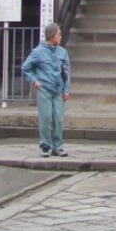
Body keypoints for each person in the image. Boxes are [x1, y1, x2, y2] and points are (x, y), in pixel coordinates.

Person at [21, 22, 71, 157]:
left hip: (59, 88)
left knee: (58, 119)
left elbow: (67, 72)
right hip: (44, 88)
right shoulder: (38, 52)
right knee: (46, 118)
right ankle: (45, 145)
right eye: (58, 34)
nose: (60, 37)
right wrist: (34, 81)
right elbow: (26, 67)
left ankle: (58, 146)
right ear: (52, 36)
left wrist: (67, 89)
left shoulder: (63, 52)